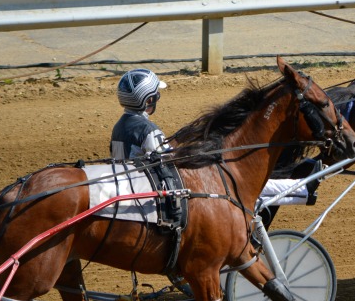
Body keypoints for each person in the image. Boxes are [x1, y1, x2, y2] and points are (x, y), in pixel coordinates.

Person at [110, 68, 318, 207]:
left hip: (133, 188)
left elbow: (148, 155)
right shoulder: (147, 129)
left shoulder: (120, 126)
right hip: (157, 195)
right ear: (149, 100)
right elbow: (168, 164)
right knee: (233, 187)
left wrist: (179, 139)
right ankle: (301, 190)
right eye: (156, 94)